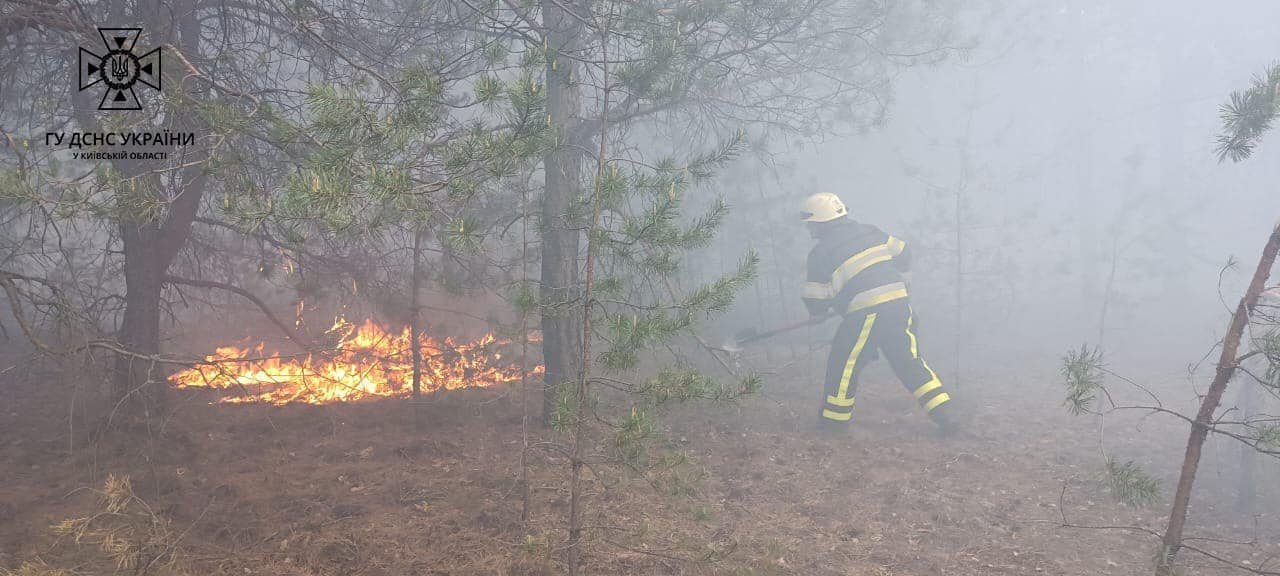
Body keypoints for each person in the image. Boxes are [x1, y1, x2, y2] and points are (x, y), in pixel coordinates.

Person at [799, 192, 958, 431]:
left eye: (811, 224)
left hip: (867, 313)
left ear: (819, 223)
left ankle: (833, 425)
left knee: (844, 363)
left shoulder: (820, 254)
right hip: (900, 306)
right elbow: (904, 252)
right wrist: (904, 281)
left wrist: (819, 312)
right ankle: (946, 415)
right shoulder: (871, 232)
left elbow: (817, 302)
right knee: (909, 361)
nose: (810, 230)